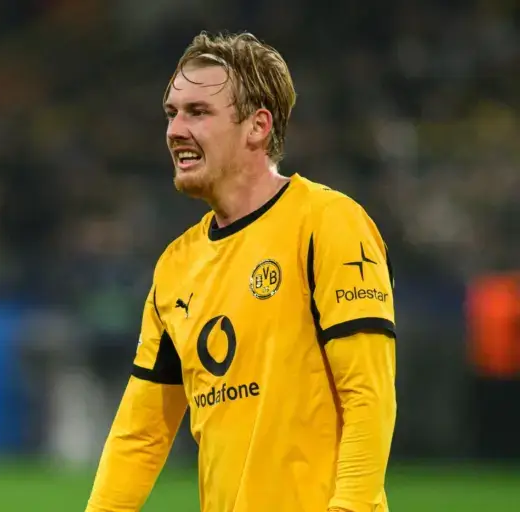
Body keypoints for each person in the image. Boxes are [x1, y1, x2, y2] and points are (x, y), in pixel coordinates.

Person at [85, 31, 396, 512]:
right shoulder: (176, 266)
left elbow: (369, 396)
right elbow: (141, 434)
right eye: (171, 113)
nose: (175, 130)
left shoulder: (328, 223)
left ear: (257, 126)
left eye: (198, 112)